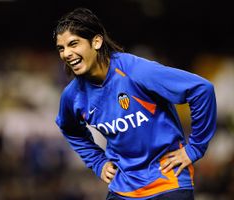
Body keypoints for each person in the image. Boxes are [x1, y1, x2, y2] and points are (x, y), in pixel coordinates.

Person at [53, 7, 217, 200]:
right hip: (123, 188)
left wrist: (195, 148)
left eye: (74, 44)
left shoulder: (136, 71)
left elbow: (201, 89)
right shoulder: (72, 96)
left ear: (96, 42)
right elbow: (70, 129)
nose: (67, 54)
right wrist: (98, 162)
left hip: (167, 181)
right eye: (61, 48)